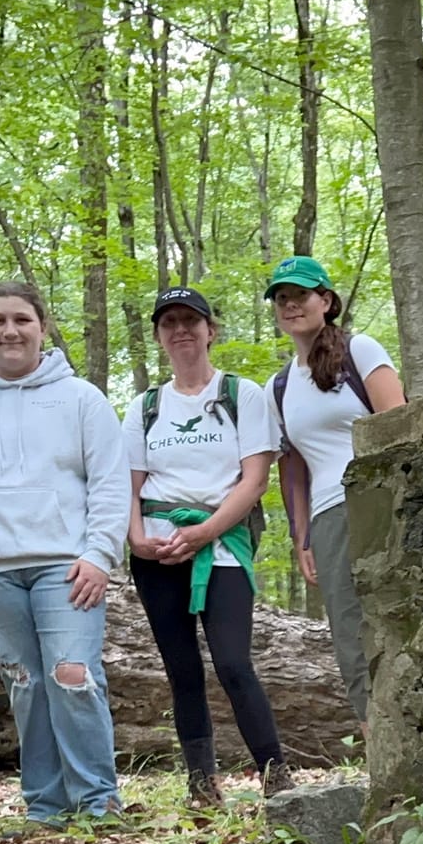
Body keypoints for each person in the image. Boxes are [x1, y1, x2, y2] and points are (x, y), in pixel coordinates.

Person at [0, 284, 130, 838]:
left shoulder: (82, 399)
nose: (10, 330)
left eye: (22, 319)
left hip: (65, 564)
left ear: (43, 326)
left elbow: (111, 483)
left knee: (72, 675)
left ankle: (97, 800)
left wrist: (99, 554)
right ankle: (45, 806)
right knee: (24, 683)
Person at [124, 287, 293, 805]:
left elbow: (254, 479)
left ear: (209, 330)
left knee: (233, 662)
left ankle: (275, 774)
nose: (181, 331)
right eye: (169, 322)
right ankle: (201, 783)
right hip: (156, 551)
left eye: (191, 321)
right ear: (158, 336)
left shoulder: (242, 396)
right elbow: (127, 486)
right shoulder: (145, 407)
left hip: (222, 546)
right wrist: (137, 540)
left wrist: (205, 531)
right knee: (181, 667)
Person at [264, 256, 407, 730]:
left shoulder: (359, 350)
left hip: (381, 502)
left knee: (400, 619)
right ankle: (379, 748)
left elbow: (400, 425)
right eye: (281, 299)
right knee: (350, 635)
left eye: (300, 296)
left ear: (325, 300)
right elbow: (293, 468)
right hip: (327, 517)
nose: (290, 306)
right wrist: (300, 536)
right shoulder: (279, 386)